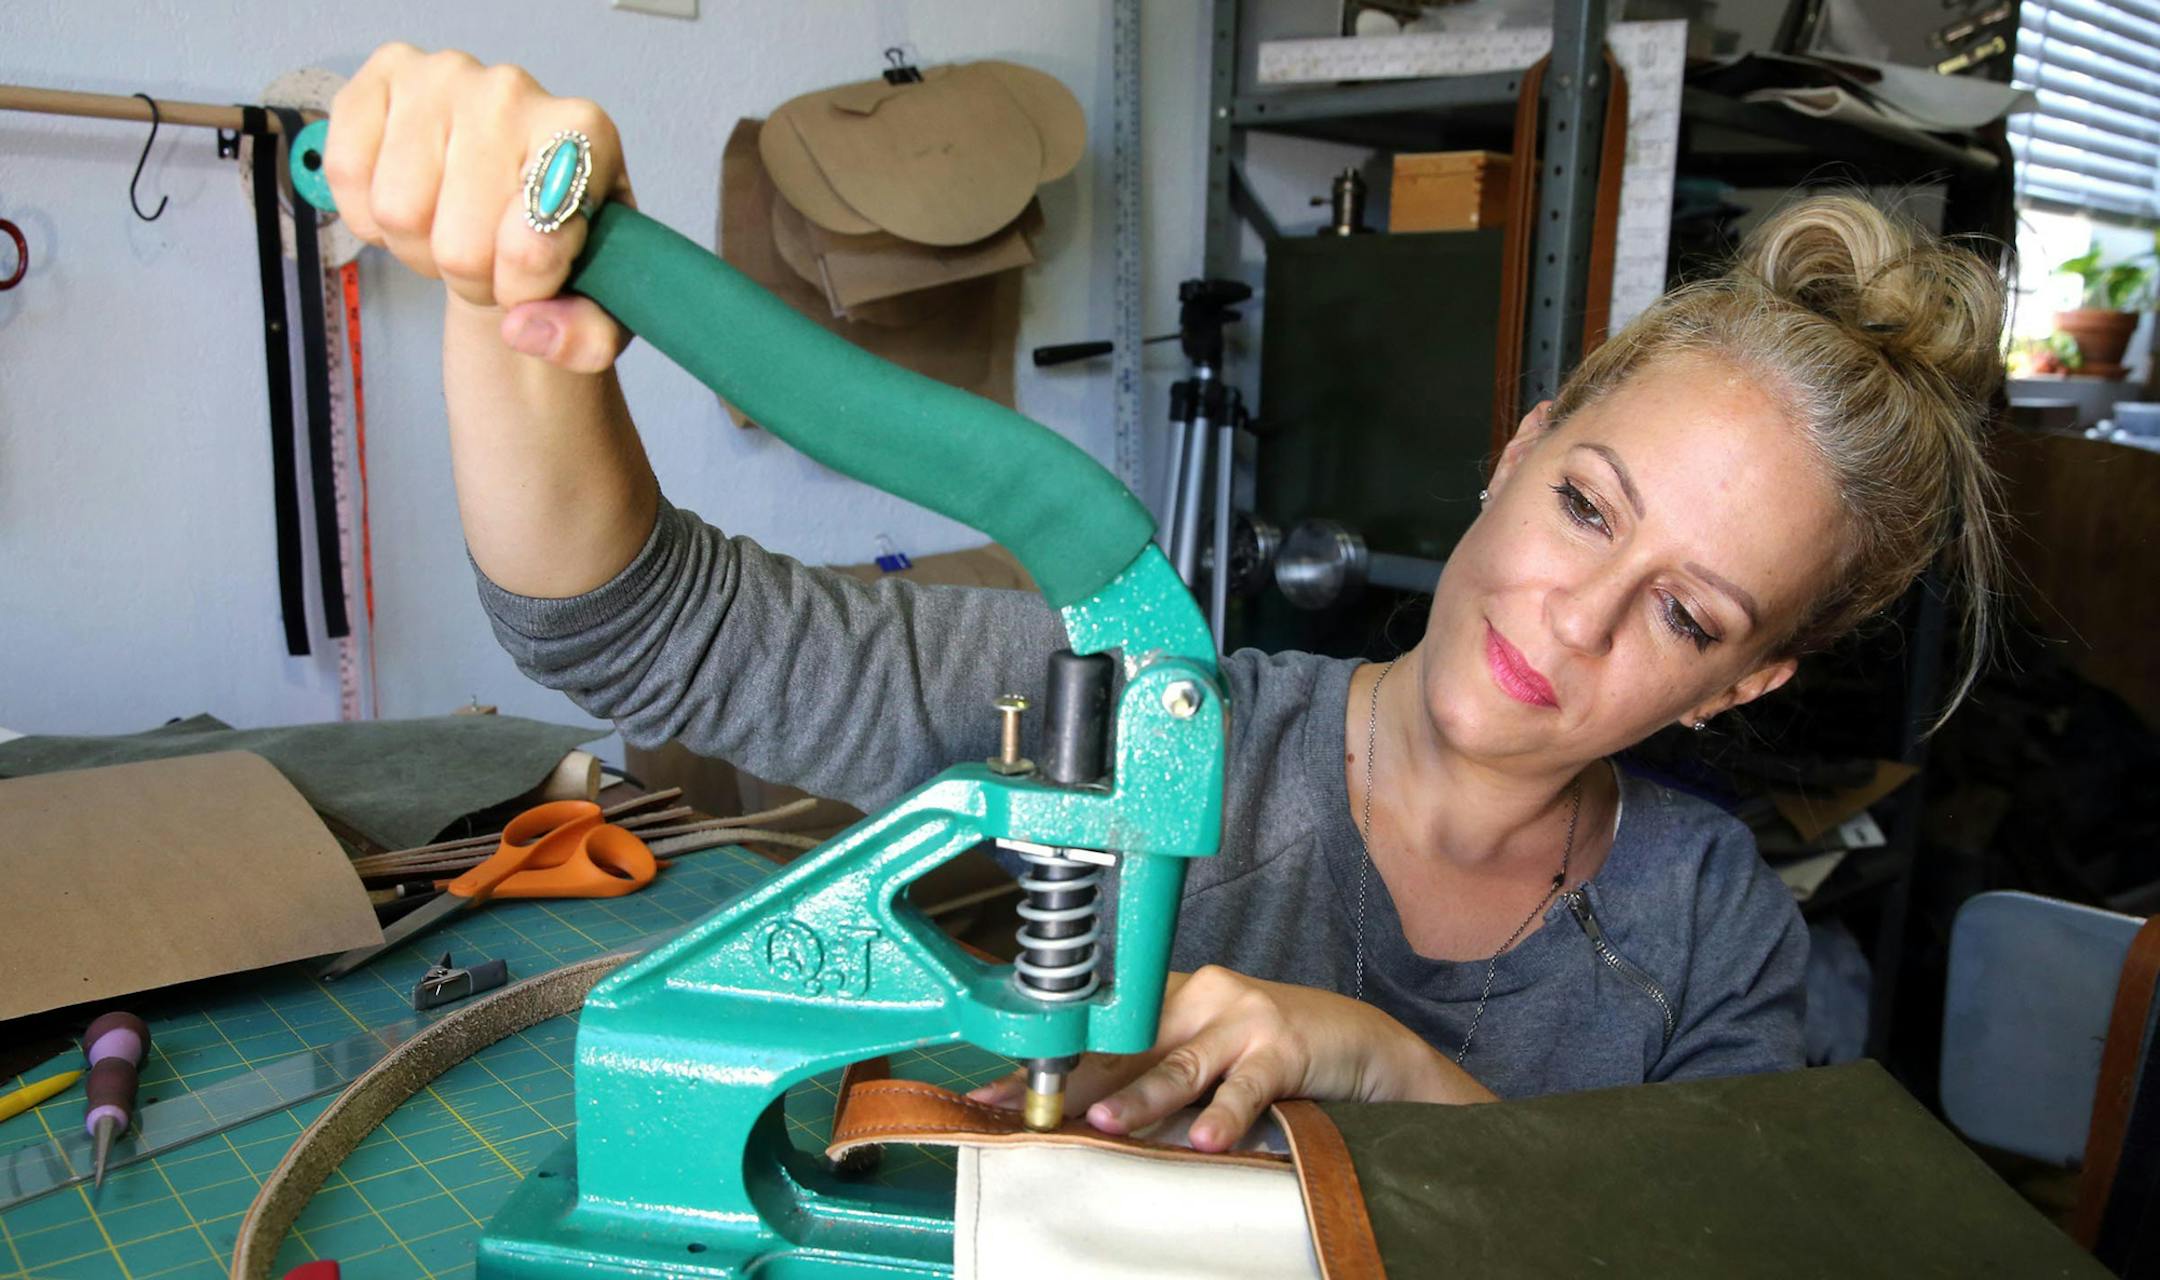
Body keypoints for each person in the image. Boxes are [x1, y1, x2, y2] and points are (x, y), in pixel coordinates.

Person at [324, 44, 2009, 1153]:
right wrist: (509, 277)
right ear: (1519, 447)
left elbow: (1706, 1250)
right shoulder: (1154, 715)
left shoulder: (1711, 934)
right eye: (1586, 505)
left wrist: (1391, 1068)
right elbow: (634, 627)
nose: (1575, 619)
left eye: (1689, 617)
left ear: (1742, 686)